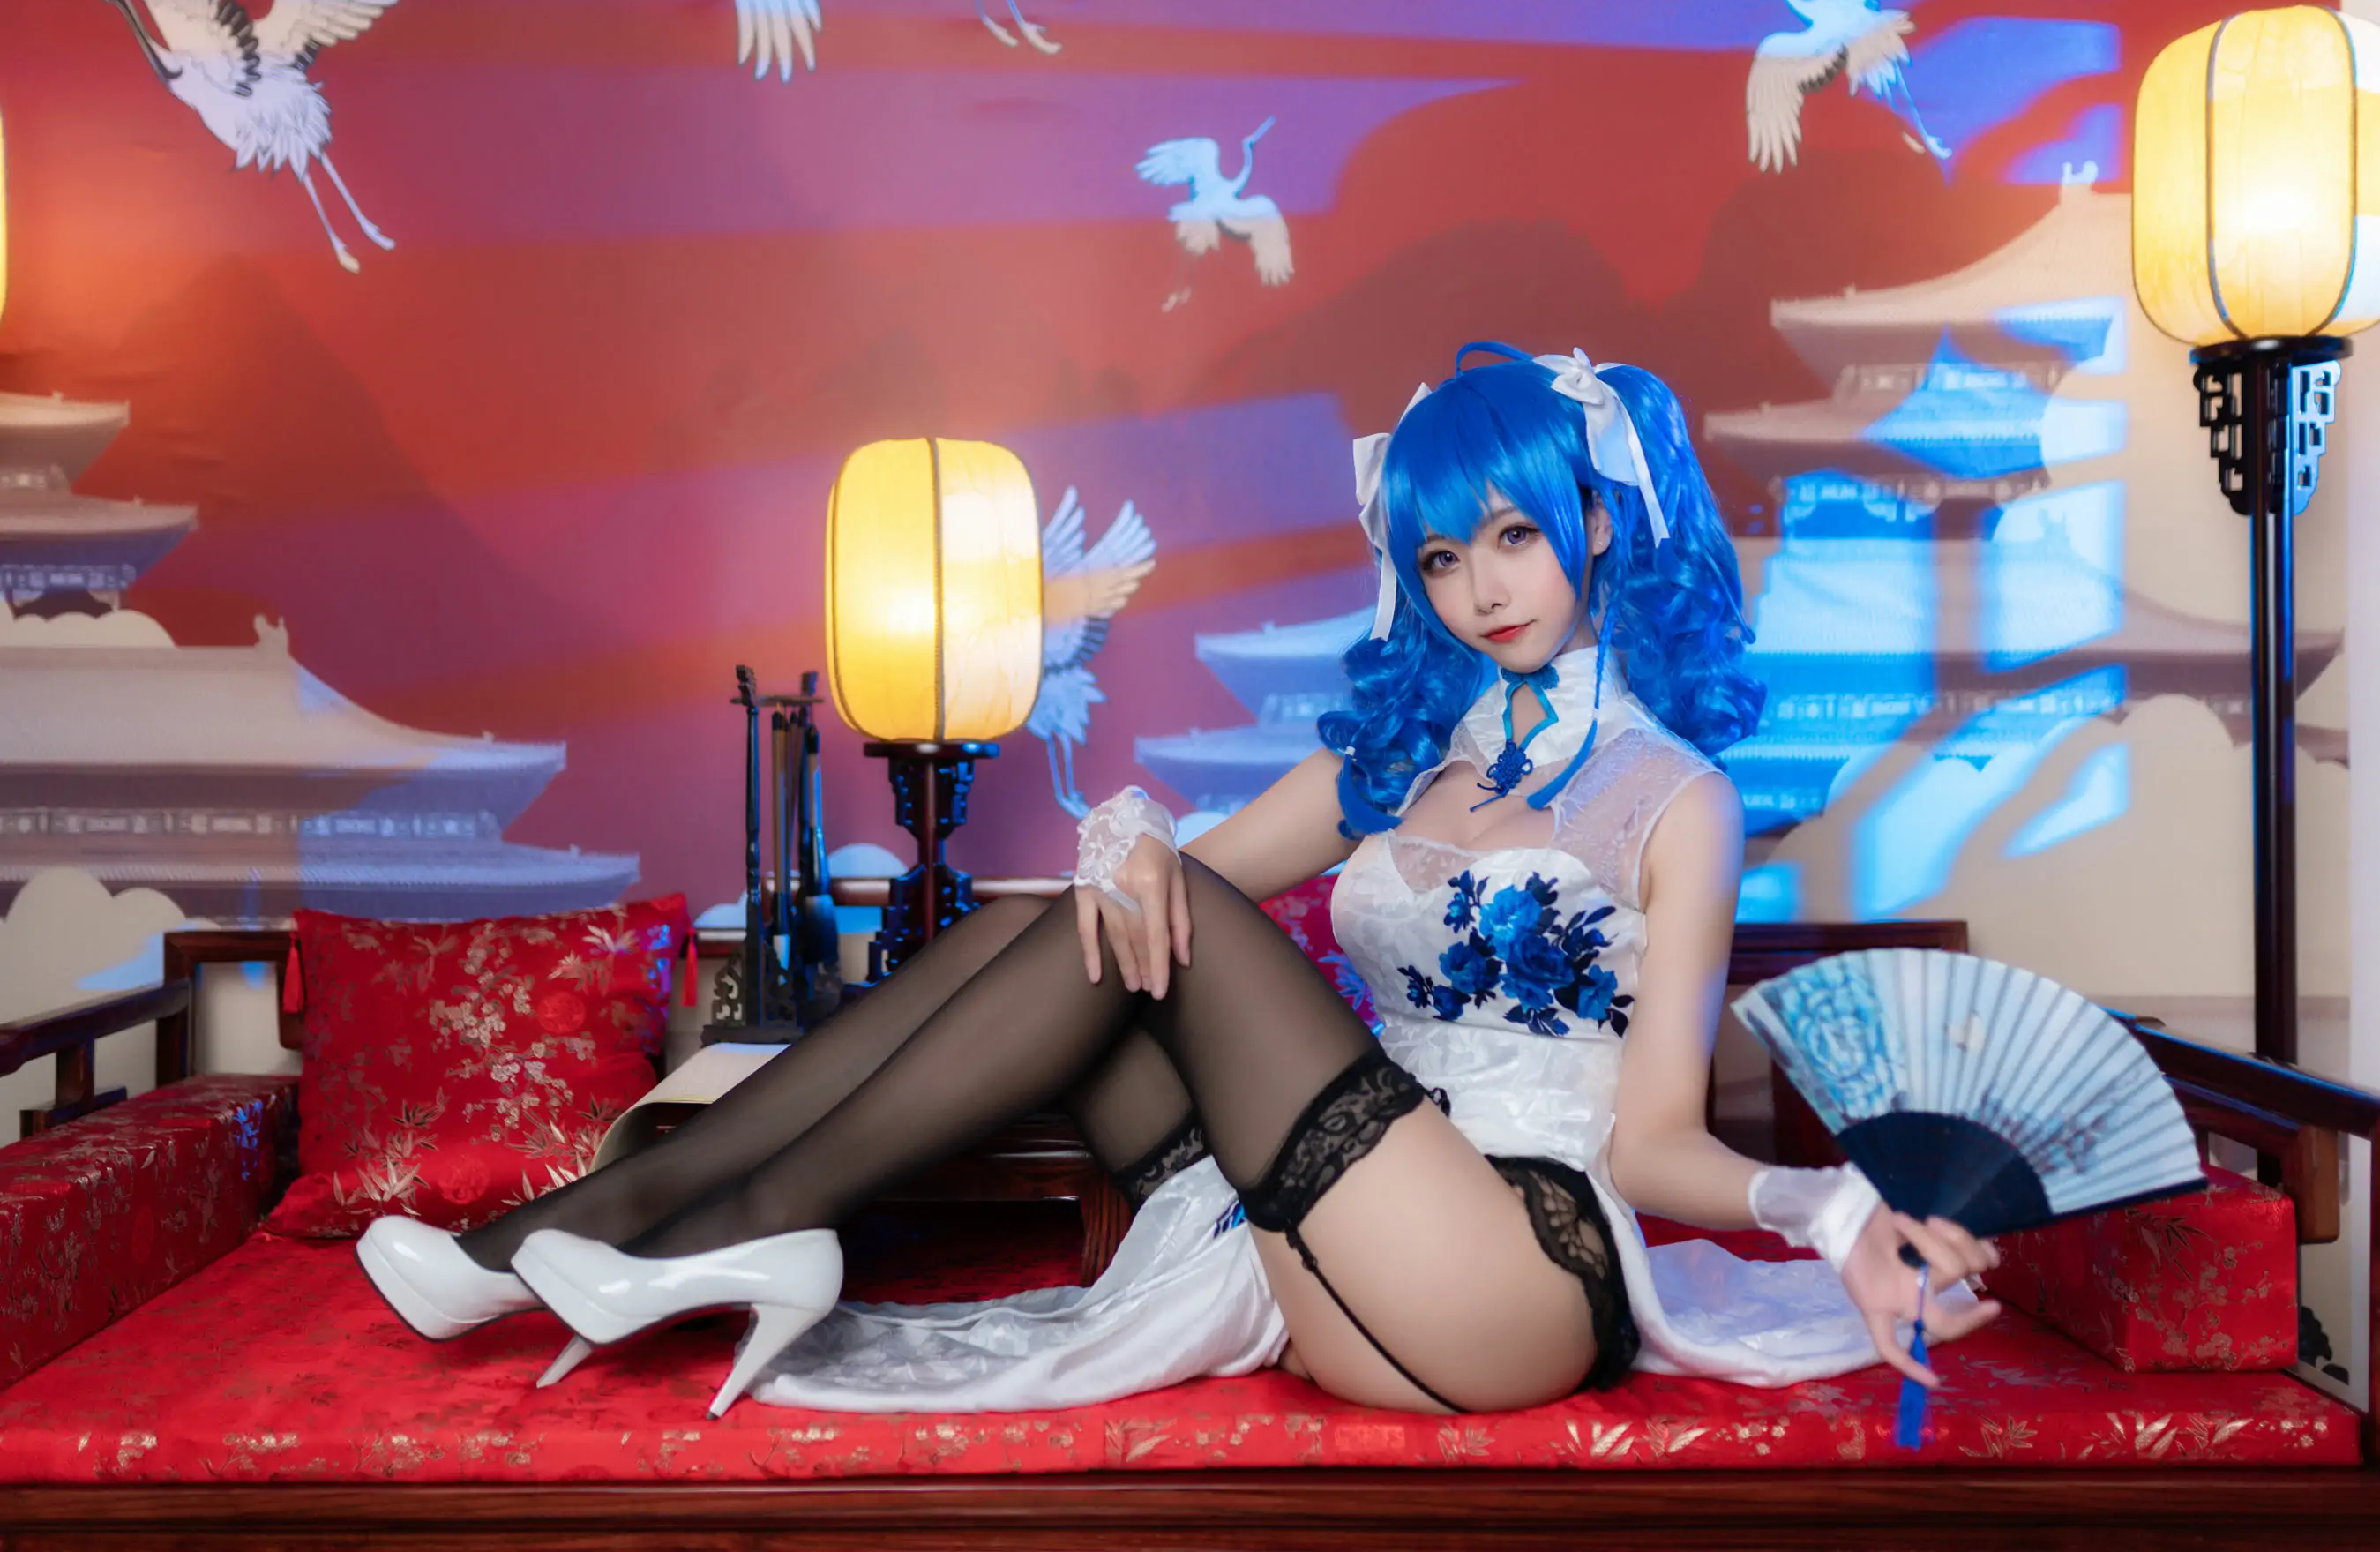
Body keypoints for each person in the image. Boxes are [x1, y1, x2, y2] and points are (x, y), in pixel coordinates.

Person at [355, 341, 2001, 1421]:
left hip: (1508, 1273)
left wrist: (1835, 1210)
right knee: (1095, 912)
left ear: (1599, 520)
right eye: (1440, 557)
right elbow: (1141, 901)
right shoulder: (1398, 767)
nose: (1478, 590)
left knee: (1157, 899)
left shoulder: (1675, 800)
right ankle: (616, 1221)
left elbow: (1652, 1143)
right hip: (1327, 1252)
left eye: (1513, 536)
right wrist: (1126, 844)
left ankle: (699, 1223)